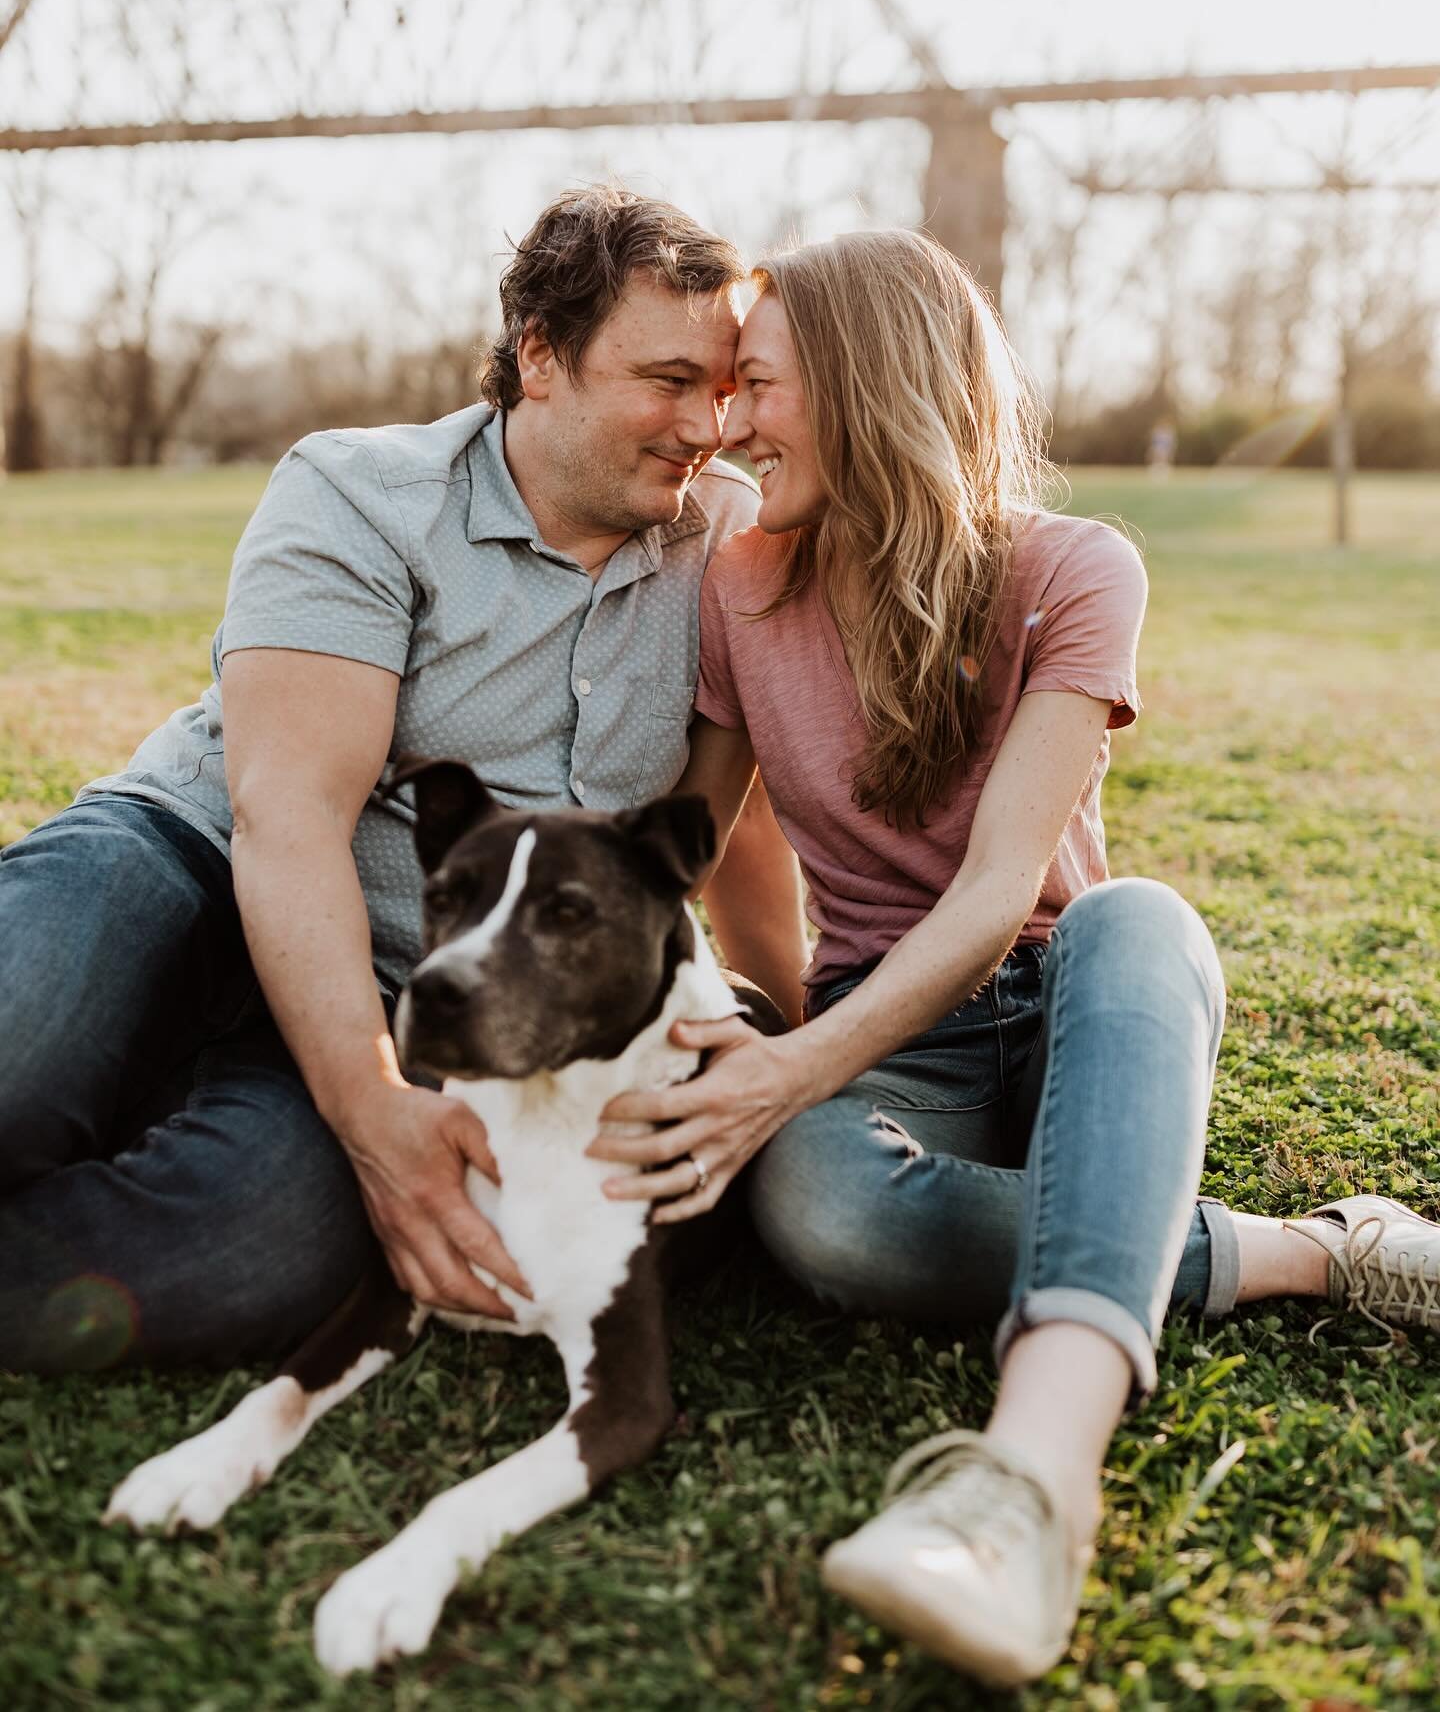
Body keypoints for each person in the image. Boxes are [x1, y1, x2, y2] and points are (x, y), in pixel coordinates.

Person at [588, 228, 1440, 1688]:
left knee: (1141, 914)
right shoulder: (734, 586)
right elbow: (713, 844)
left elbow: (994, 899)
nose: (730, 421)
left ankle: (1028, 1482)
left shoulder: (1072, 570)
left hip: (1069, 993)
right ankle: (1302, 1249)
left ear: (870, 389)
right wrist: (779, 1044)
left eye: (761, 385)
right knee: (831, 1214)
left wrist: (791, 1066)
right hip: (884, 1022)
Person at [0, 186, 808, 1375]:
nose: (707, 425)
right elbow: (290, 816)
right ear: (542, 355)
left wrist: (792, 1049)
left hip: (400, 986)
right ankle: (116, 1058)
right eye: (667, 380)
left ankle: (155, 1112)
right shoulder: (362, 494)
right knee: (19, 1044)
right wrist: (371, 1117)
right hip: (192, 862)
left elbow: (722, 833)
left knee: (252, 1251)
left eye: (723, 387)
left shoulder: (731, 539)